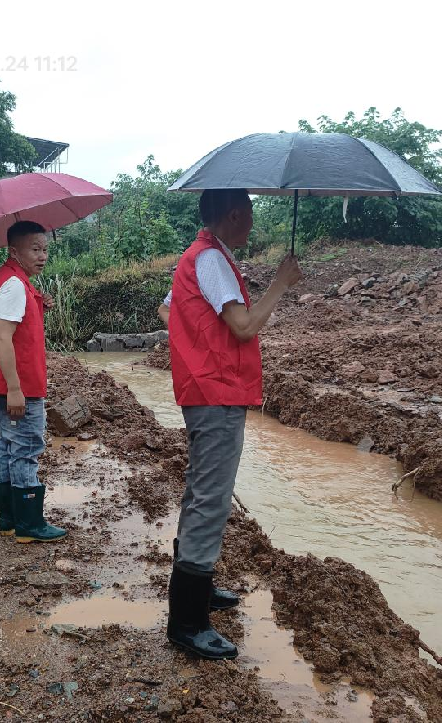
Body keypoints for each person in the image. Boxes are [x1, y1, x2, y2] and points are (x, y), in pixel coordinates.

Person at [159, 189, 302, 659]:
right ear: (236, 214)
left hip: (206, 389)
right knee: (211, 498)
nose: (253, 224)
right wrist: (281, 282)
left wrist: (192, 347)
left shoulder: (202, 256)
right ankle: (187, 621)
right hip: (216, 392)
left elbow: (168, 309)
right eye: (251, 216)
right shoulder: (213, 262)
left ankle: (198, 589)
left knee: (200, 490)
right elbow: (243, 326)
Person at [0, 220, 66, 543]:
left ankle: (9, 519)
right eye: (35, 249)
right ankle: (29, 524)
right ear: (14, 251)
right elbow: (2, 338)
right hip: (16, 385)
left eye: (45, 249)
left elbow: (16, 326)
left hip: (4, 383)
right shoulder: (13, 285)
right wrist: (14, 389)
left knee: (8, 444)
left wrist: (40, 304)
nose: (42, 256)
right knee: (25, 446)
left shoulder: (14, 282)